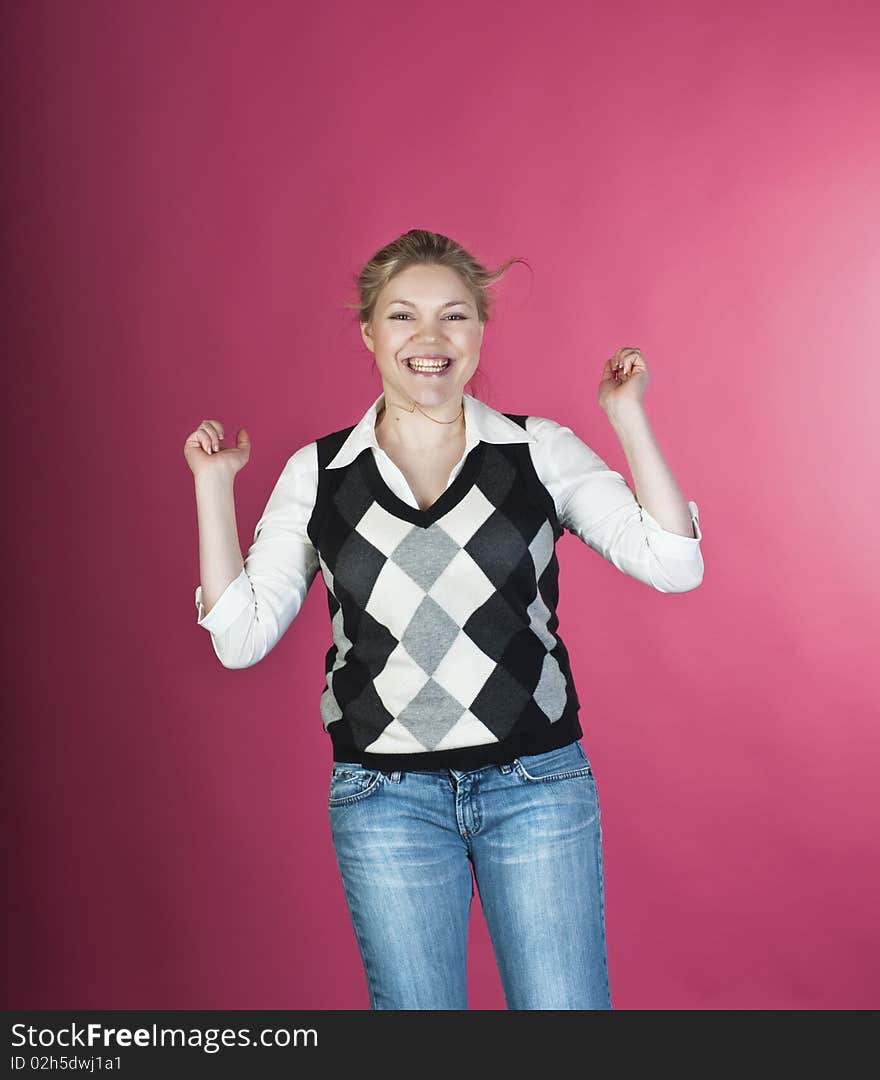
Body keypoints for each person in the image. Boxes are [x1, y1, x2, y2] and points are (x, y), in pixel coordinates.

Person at [184, 228, 704, 1010]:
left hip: (537, 786)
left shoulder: (537, 450)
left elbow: (675, 563)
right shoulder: (318, 475)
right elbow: (240, 639)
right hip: (384, 796)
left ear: (480, 330)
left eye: (454, 316)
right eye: (403, 317)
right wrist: (213, 487)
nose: (430, 339)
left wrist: (626, 416)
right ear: (369, 332)